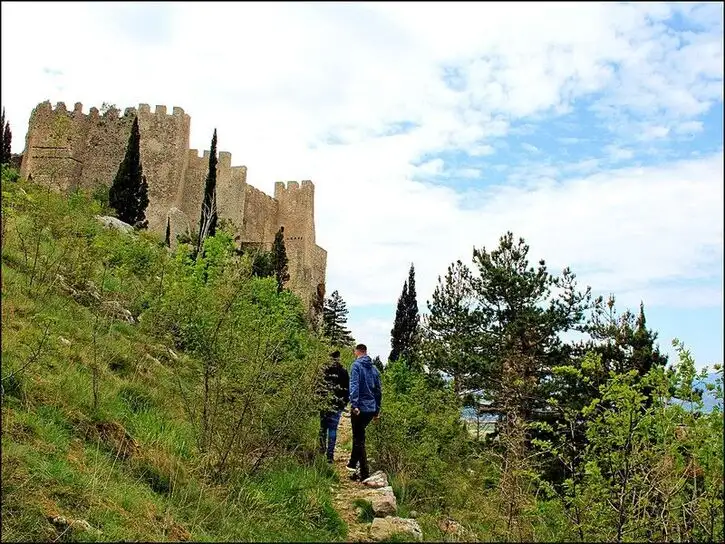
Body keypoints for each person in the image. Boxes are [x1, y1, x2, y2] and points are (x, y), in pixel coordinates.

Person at [346, 343, 382, 481]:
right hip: (371, 408)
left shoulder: (356, 366)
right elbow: (378, 391)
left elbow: (354, 385)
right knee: (360, 437)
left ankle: (360, 469)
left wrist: (354, 404)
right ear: (365, 352)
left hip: (359, 408)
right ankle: (356, 467)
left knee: (358, 439)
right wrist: (377, 410)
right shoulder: (374, 369)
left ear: (357, 351)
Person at [318, 350, 350, 463]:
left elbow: (318, 387)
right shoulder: (343, 371)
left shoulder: (323, 370)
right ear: (339, 358)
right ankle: (330, 456)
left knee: (323, 428)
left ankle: (321, 451)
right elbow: (347, 389)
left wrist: (318, 401)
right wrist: (344, 403)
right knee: (332, 429)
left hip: (324, 403)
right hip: (337, 404)